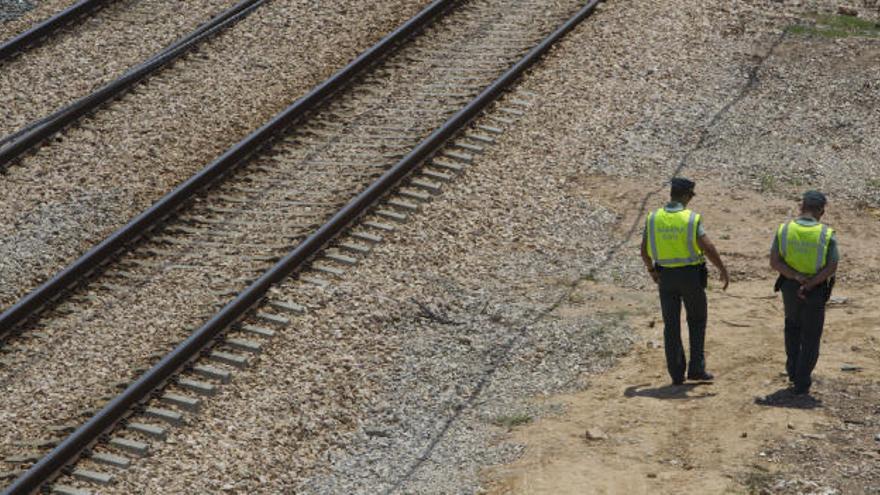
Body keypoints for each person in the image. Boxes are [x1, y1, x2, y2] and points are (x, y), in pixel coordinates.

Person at [640, 178, 730, 385]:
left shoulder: (653, 218)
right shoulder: (691, 219)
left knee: (671, 325)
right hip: (691, 276)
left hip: (665, 277)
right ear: (686, 196)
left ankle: (676, 374)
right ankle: (696, 368)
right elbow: (707, 247)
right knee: (697, 321)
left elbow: (643, 251)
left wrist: (652, 271)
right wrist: (722, 269)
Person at [769, 190, 838, 395]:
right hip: (814, 290)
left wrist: (796, 277)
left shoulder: (784, 230)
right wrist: (810, 283)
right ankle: (802, 380)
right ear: (822, 212)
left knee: (792, 327)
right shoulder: (826, 234)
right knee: (811, 333)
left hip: (790, 286)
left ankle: (793, 371)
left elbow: (775, 262)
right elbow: (832, 265)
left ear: (801, 207)